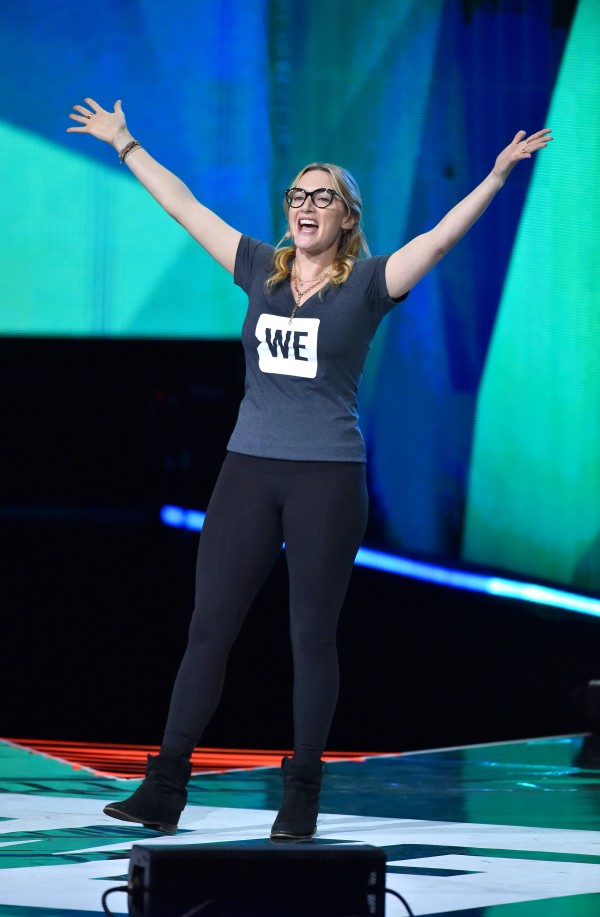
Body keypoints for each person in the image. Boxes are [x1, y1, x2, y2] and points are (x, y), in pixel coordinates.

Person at [67, 98, 552, 838]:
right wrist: (127, 142)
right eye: (297, 194)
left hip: (326, 477)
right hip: (247, 470)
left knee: (309, 635)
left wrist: (492, 178)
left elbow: (440, 240)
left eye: (321, 196)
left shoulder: (370, 284)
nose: (305, 205)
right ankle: (164, 785)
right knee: (209, 628)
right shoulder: (260, 267)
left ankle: (301, 795)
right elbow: (184, 207)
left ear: (347, 215)